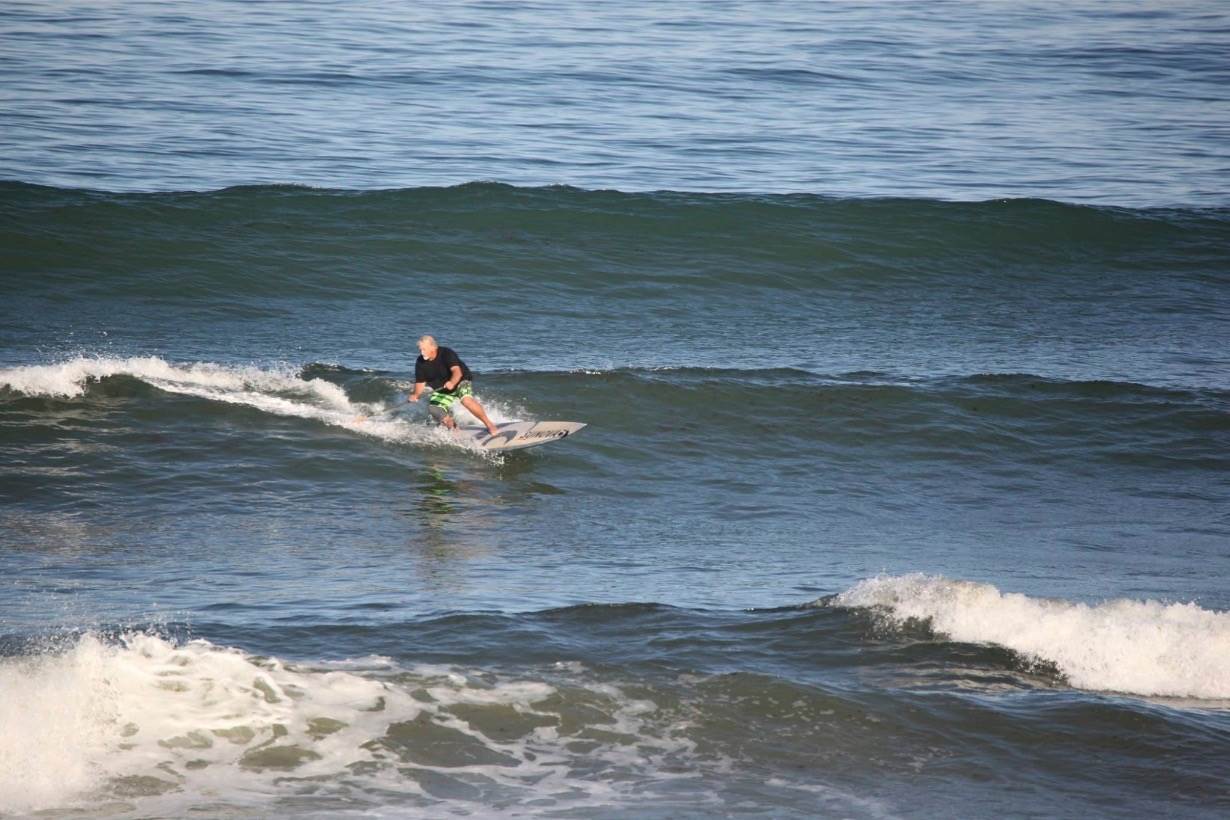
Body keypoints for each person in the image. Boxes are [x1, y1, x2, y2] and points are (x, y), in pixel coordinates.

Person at [408, 335, 501, 436]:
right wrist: (415, 395)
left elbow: (457, 372)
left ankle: (489, 424)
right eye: (420, 350)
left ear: (433, 347)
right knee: (434, 408)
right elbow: (420, 382)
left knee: (466, 401)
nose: (422, 353)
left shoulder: (446, 353)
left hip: (460, 381)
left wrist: (452, 382)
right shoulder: (420, 362)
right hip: (443, 388)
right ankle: (452, 427)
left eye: (424, 349)